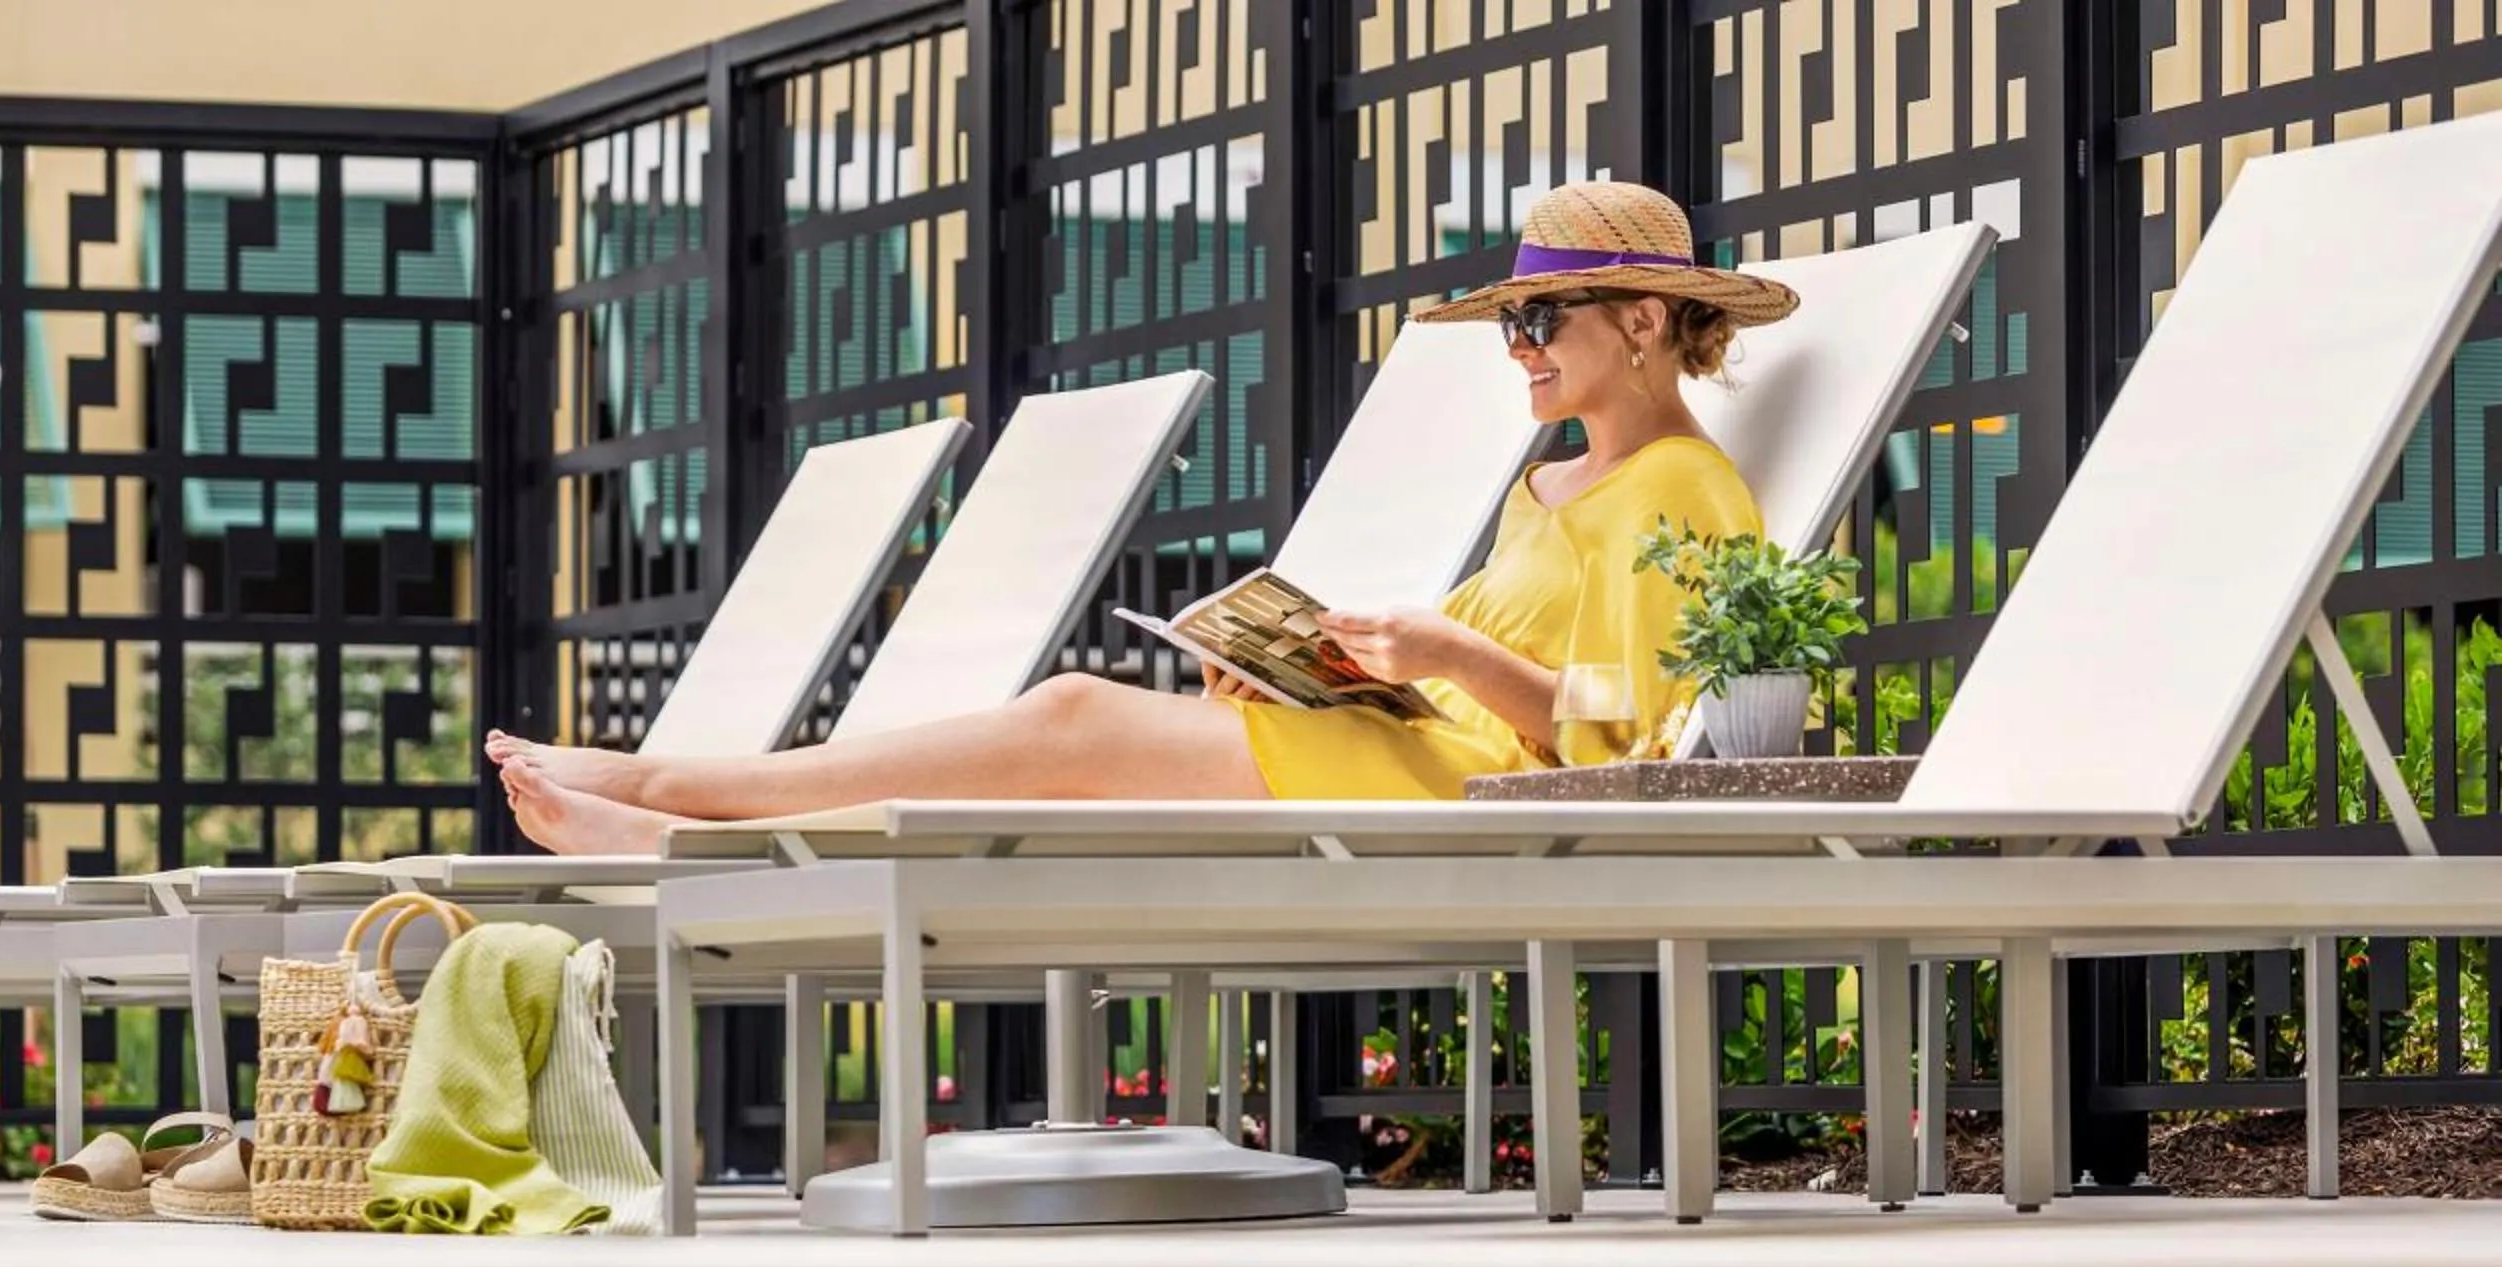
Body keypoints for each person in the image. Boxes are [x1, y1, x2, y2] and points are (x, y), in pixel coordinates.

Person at [488, 180, 1799, 855]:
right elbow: (1476, 682)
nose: (1515, 346)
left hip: (1474, 797)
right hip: (1409, 758)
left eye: (1537, 319)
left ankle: (677, 804)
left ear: (1640, 321)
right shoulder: (1546, 487)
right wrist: (1312, 674)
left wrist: (1446, 655)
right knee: (1064, 765)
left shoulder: (1686, 490)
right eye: (1509, 321)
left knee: (1071, 716)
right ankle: (691, 830)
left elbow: (1642, 731)